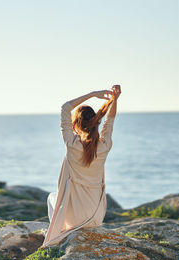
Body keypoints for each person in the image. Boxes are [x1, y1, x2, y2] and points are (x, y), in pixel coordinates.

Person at [41, 84, 121, 248]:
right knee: (54, 197)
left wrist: (93, 94)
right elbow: (110, 122)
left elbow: (65, 108)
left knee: (51, 197)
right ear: (96, 124)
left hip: (74, 219)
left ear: (75, 124)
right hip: (95, 217)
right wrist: (115, 99)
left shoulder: (72, 144)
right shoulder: (104, 145)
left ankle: (59, 232)